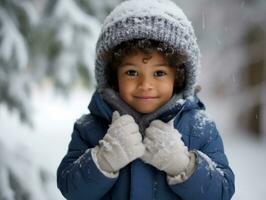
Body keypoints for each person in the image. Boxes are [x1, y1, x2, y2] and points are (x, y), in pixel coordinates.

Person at [57, 0, 235, 199]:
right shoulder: (90, 127)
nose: (145, 85)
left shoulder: (199, 128)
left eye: (159, 73)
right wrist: (103, 160)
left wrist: (184, 165)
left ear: (178, 76)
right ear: (113, 76)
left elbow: (222, 192)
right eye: (132, 72)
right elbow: (70, 189)